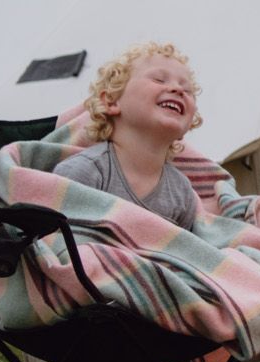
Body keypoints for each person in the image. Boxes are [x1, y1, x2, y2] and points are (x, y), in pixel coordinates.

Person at [53, 42, 204, 229]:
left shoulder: (182, 193)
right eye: (159, 80)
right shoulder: (85, 171)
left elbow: (185, 254)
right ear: (111, 101)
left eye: (187, 90)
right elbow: (55, 244)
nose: (178, 89)